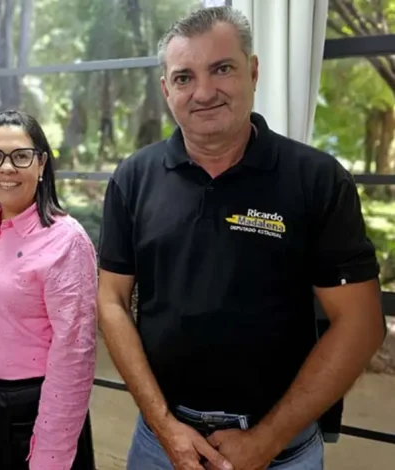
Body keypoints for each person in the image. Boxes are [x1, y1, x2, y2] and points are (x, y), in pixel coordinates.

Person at [96, 6, 385, 470]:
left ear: (253, 71)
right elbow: (111, 300)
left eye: (222, 69)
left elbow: (361, 323)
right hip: (160, 442)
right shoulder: (134, 179)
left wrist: (266, 441)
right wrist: (164, 425)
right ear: (167, 89)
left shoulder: (315, 180)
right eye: (185, 77)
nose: (204, 92)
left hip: (281, 450)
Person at [0, 110, 98, 470]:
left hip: (37, 406)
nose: (6, 168)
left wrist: (50, 454)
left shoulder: (66, 240)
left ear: (41, 165)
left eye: (20, 156)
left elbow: (75, 353)